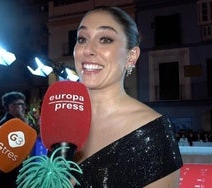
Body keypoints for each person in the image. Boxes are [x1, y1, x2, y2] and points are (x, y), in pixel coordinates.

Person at [73, 6, 183, 187]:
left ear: (131, 56)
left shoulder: (153, 133)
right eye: (82, 39)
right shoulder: (64, 120)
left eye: (105, 39)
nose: (88, 50)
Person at [0, 91, 27, 188]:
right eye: (21, 104)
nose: (25, 108)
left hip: (13, 174)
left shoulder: (14, 122)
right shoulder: (8, 124)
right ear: (11, 107)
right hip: (9, 176)